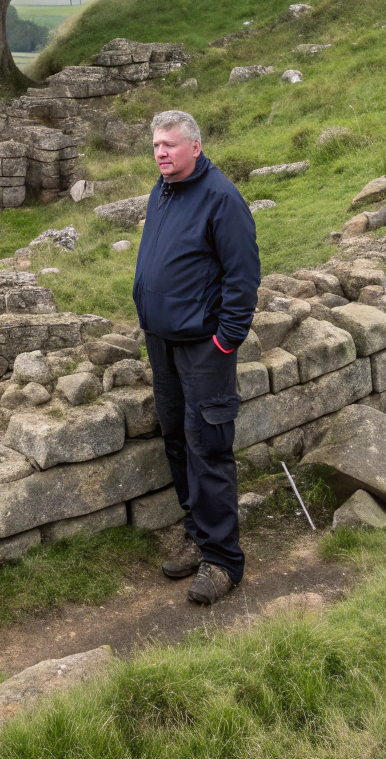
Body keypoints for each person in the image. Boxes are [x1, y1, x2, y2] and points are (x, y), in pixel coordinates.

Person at [132, 110, 259, 606]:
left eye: (169, 145)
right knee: (177, 442)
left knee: (208, 446)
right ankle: (197, 535)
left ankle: (223, 561)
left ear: (195, 147)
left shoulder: (222, 199)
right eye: (156, 146)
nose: (161, 153)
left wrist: (226, 340)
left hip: (205, 348)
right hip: (162, 342)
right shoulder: (162, 190)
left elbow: (243, 275)